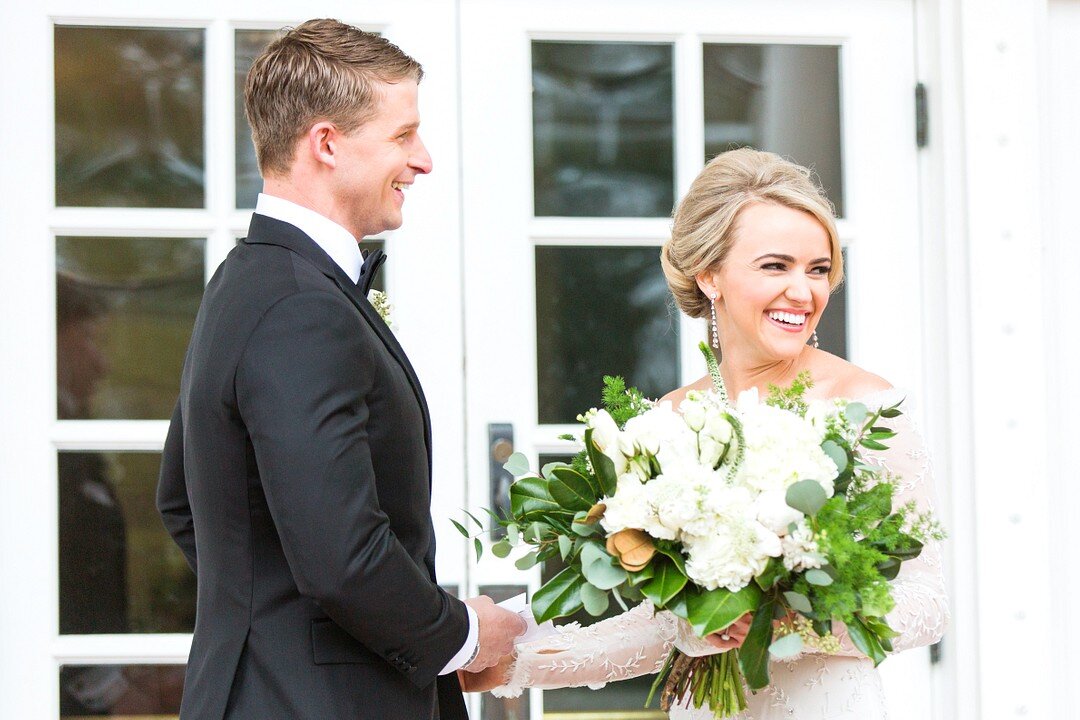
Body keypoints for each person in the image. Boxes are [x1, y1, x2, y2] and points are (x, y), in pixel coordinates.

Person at [466, 149, 949, 718]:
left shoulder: (865, 408)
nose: (803, 291)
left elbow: (926, 603)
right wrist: (515, 660)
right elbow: (663, 626)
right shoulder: (668, 425)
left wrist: (788, 617)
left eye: (818, 269)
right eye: (776, 266)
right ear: (709, 274)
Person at [156, 19, 524, 720]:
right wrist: (465, 635)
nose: (423, 160)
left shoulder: (246, 282)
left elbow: (183, 501)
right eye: (402, 135)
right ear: (326, 143)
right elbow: (342, 558)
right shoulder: (300, 306)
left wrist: (268, 618)